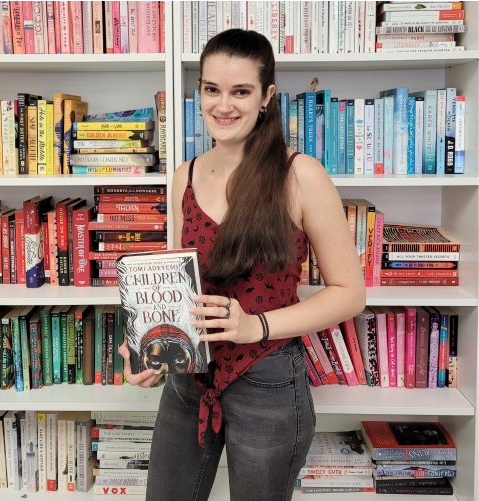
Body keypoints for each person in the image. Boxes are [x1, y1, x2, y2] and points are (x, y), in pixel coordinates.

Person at [119, 28, 366, 501]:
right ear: (200, 93)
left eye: (241, 91)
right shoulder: (183, 177)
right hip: (188, 382)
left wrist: (254, 325)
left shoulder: (301, 175)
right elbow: (177, 283)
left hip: (268, 382)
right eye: (212, 89)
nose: (223, 105)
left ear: (267, 96)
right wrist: (150, 342)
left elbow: (349, 293)